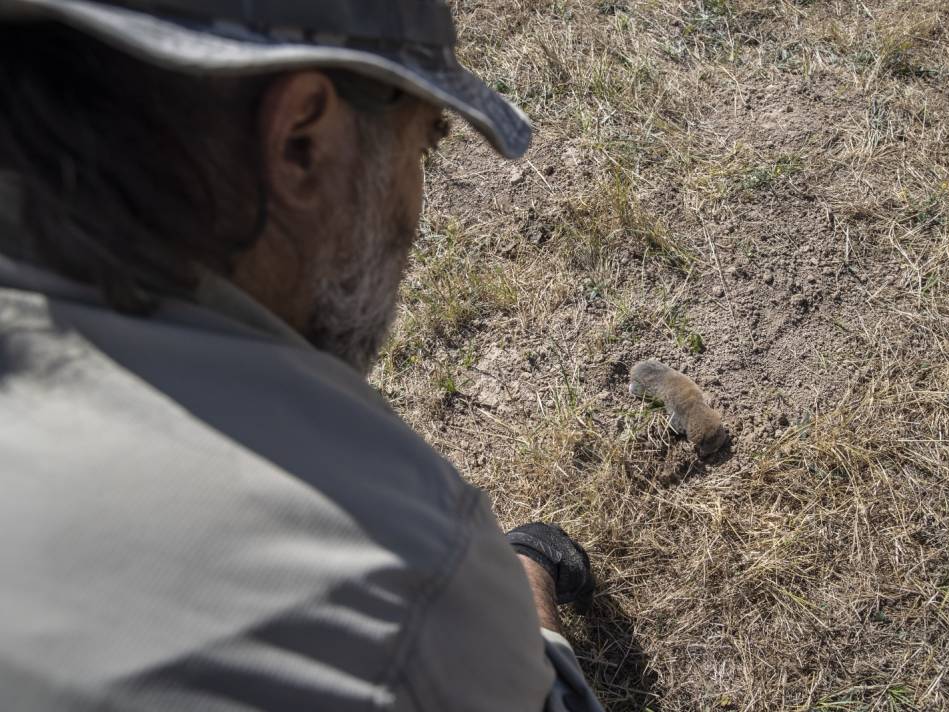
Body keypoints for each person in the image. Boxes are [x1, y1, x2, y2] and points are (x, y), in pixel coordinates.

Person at [0, 1, 603, 710]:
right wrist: (510, 587)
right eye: (425, 144)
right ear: (302, 144)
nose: (416, 199)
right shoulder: (397, 574)